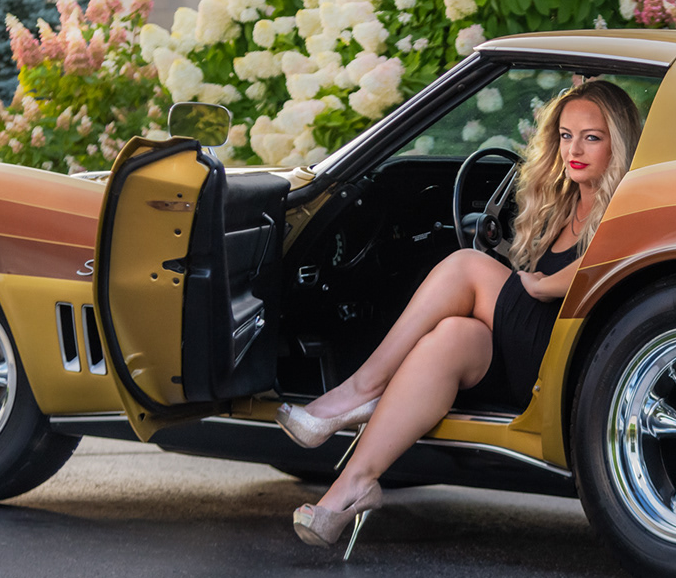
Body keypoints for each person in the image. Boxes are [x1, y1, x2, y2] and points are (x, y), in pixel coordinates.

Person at [276, 78, 644, 552]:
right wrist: (522, 279)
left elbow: (603, 272)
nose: (574, 148)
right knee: (450, 335)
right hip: (520, 354)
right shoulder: (561, 201)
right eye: (566, 135)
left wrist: (538, 283)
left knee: (465, 266)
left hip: (563, 361)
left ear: (619, 141)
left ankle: (357, 391)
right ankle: (349, 490)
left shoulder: (627, 205)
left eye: (592, 137)